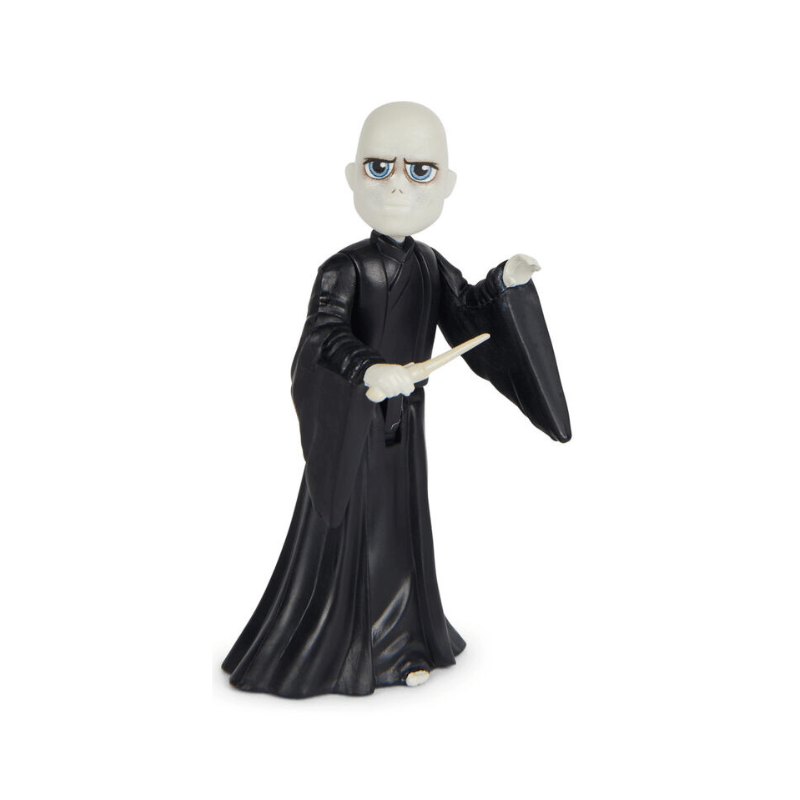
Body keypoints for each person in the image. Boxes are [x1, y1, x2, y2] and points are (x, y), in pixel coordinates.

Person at [222, 102, 571, 697]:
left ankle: (405, 641)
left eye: (421, 171)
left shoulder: (429, 265)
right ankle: (341, 647)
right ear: (353, 176)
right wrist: (368, 368)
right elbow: (323, 334)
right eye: (380, 167)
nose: (399, 186)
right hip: (355, 422)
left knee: (402, 527)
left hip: (406, 424)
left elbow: (467, 310)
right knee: (351, 530)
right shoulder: (343, 268)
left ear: (447, 185)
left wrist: (504, 285)